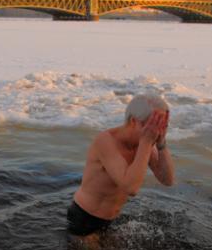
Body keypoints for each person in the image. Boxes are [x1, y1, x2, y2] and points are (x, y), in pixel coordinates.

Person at [68, 94, 175, 236]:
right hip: (84, 217)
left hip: (110, 219)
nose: (155, 131)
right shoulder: (106, 141)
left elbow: (167, 180)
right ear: (133, 121)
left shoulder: (145, 142)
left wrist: (161, 144)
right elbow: (131, 188)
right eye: (152, 125)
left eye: (161, 126)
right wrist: (146, 142)